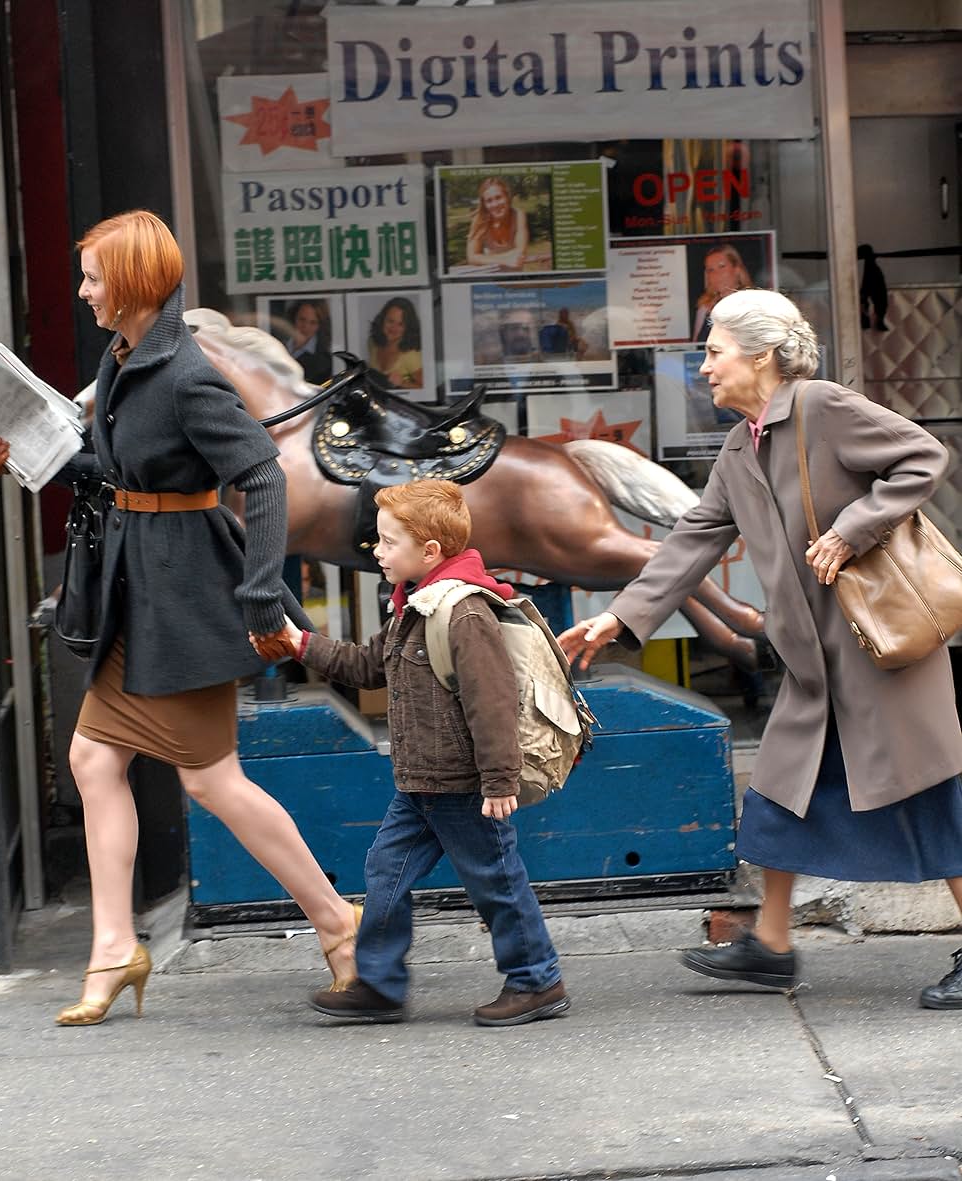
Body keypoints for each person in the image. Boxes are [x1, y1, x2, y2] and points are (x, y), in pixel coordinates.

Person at [0, 210, 361, 1025]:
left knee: (210, 779)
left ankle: (338, 921)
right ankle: (115, 946)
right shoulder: (123, 362)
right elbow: (113, 472)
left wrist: (260, 594)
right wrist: (18, 457)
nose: (82, 292)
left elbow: (263, 473)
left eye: (93, 277)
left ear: (135, 282)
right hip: (138, 589)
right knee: (93, 758)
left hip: (186, 596)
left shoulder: (185, 373)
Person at [558, 288, 962, 1010]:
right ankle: (772, 944)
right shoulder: (741, 447)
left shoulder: (823, 407)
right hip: (816, 666)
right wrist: (619, 619)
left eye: (714, 351)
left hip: (880, 656)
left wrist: (855, 526)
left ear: (762, 356)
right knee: (780, 794)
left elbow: (922, 455)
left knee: (932, 800)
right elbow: (695, 537)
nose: (704, 367)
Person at [277, 479, 569, 1026]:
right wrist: (300, 645)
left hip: (462, 785)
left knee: (496, 882)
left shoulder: (462, 612)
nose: (378, 551)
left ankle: (537, 980)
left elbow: (493, 700)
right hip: (419, 782)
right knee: (386, 872)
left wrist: (500, 780)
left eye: (388, 542)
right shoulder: (414, 605)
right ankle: (379, 985)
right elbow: (368, 666)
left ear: (429, 551)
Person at [465, 176, 530, 271]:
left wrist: (485, 259)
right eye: (489, 201)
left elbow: (520, 252)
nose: (495, 204)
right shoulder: (479, 221)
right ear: (484, 204)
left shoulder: (518, 216)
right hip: (490, 279)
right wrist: (504, 260)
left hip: (515, 279)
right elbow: (472, 257)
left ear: (507, 197)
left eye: (498, 197)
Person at [692, 244, 753, 342]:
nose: (716, 274)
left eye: (721, 267)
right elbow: (694, 348)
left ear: (737, 269)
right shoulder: (705, 306)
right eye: (710, 270)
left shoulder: (752, 303)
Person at [366, 296, 424, 390]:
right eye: (390, 321)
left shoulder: (411, 356)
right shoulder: (372, 342)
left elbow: (426, 389)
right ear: (382, 320)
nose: (393, 328)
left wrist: (402, 383)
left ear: (408, 327)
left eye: (401, 324)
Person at [283, 298, 332, 385]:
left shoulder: (324, 362)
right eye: (302, 319)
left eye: (313, 323)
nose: (306, 326)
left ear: (320, 326)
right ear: (294, 318)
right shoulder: (278, 341)